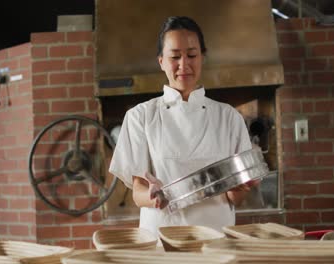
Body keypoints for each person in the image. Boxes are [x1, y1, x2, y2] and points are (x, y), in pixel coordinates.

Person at [109, 16, 260, 236]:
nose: (184, 65)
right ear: (161, 61)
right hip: (162, 240)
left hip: (215, 238)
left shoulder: (228, 117)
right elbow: (138, 192)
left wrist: (240, 188)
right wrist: (151, 196)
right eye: (174, 56)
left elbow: (233, 197)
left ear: (202, 58)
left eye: (191, 55)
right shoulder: (140, 116)